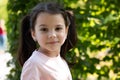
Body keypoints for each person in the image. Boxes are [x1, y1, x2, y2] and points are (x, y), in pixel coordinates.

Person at [18, 2, 77, 80]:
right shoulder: (34, 64)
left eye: (58, 28)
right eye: (44, 29)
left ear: (66, 31)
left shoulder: (61, 61)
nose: (52, 35)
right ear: (34, 34)